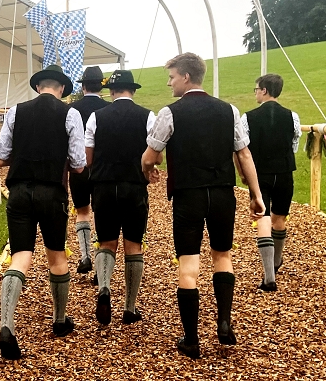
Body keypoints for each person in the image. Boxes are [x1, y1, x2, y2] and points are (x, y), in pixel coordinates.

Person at [141, 53, 265, 359]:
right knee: (222, 255)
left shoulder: (170, 113)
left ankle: (191, 338)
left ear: (185, 77)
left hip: (189, 196)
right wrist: (256, 194)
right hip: (222, 193)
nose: (169, 83)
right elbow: (244, 154)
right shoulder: (229, 110)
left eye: (171, 77)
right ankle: (224, 323)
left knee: (188, 264)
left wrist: (148, 169)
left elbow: (150, 155)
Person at [0, 64, 87, 361]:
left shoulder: (15, 111)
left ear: (38, 87)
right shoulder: (70, 114)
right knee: (57, 256)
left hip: (19, 192)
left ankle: (6, 325)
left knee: (21, 256)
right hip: (52, 193)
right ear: (62, 89)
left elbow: (0, 158)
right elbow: (78, 164)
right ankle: (59, 321)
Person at [84, 70, 156, 327]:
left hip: (103, 186)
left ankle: (104, 287)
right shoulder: (148, 116)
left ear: (112, 91)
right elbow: (155, 156)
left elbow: (88, 159)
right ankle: (129, 307)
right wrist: (149, 169)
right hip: (133, 185)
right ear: (132, 90)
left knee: (106, 242)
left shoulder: (96, 117)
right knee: (133, 244)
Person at [242, 74, 301, 291]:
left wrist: (244, 174)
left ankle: (269, 277)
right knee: (280, 218)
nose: (256, 93)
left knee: (263, 219)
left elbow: (243, 148)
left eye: (256, 89)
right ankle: (276, 262)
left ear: (264, 90)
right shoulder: (292, 116)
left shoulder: (248, 117)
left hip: (260, 174)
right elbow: (294, 145)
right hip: (285, 173)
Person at [70, 66, 111, 275]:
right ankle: (100, 269)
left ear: (83, 86)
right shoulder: (109, 109)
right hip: (102, 169)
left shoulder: (72, 109)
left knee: (82, 211)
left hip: (78, 168)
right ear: (101, 86)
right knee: (100, 214)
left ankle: (85, 255)